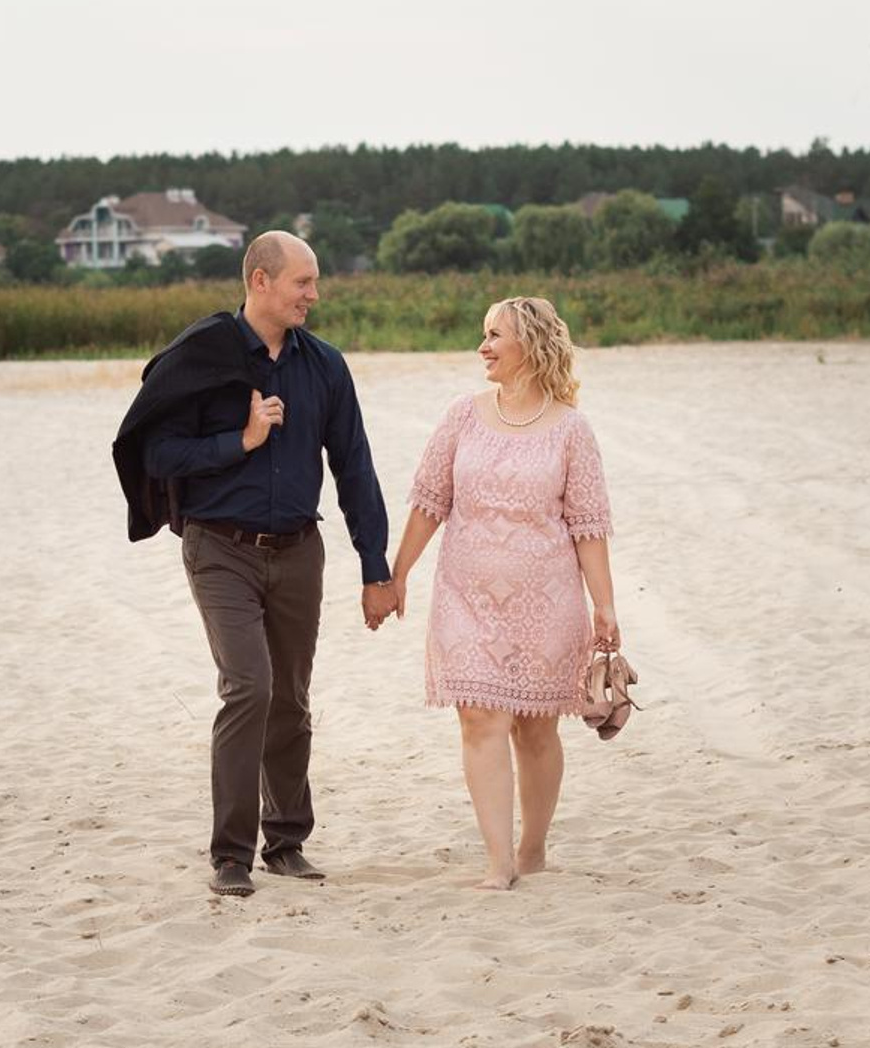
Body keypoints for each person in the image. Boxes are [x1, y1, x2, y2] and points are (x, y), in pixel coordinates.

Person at [112, 232, 398, 897]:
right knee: (250, 688)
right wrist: (238, 442)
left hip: (300, 550)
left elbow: (354, 467)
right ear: (261, 281)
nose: (314, 294)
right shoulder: (204, 358)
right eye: (303, 282)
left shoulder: (324, 366)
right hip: (219, 549)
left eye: (316, 281)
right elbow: (157, 456)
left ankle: (287, 841)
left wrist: (374, 565)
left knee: (291, 701)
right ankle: (231, 856)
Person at [389, 296, 615, 890]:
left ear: (530, 346)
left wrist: (605, 607)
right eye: (483, 334)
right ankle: (499, 862)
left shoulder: (571, 429)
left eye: (495, 336)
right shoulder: (462, 415)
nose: (483, 346)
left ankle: (532, 848)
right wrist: (398, 574)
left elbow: (589, 528)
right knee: (479, 717)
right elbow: (428, 503)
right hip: (465, 595)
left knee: (536, 726)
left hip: (548, 600)